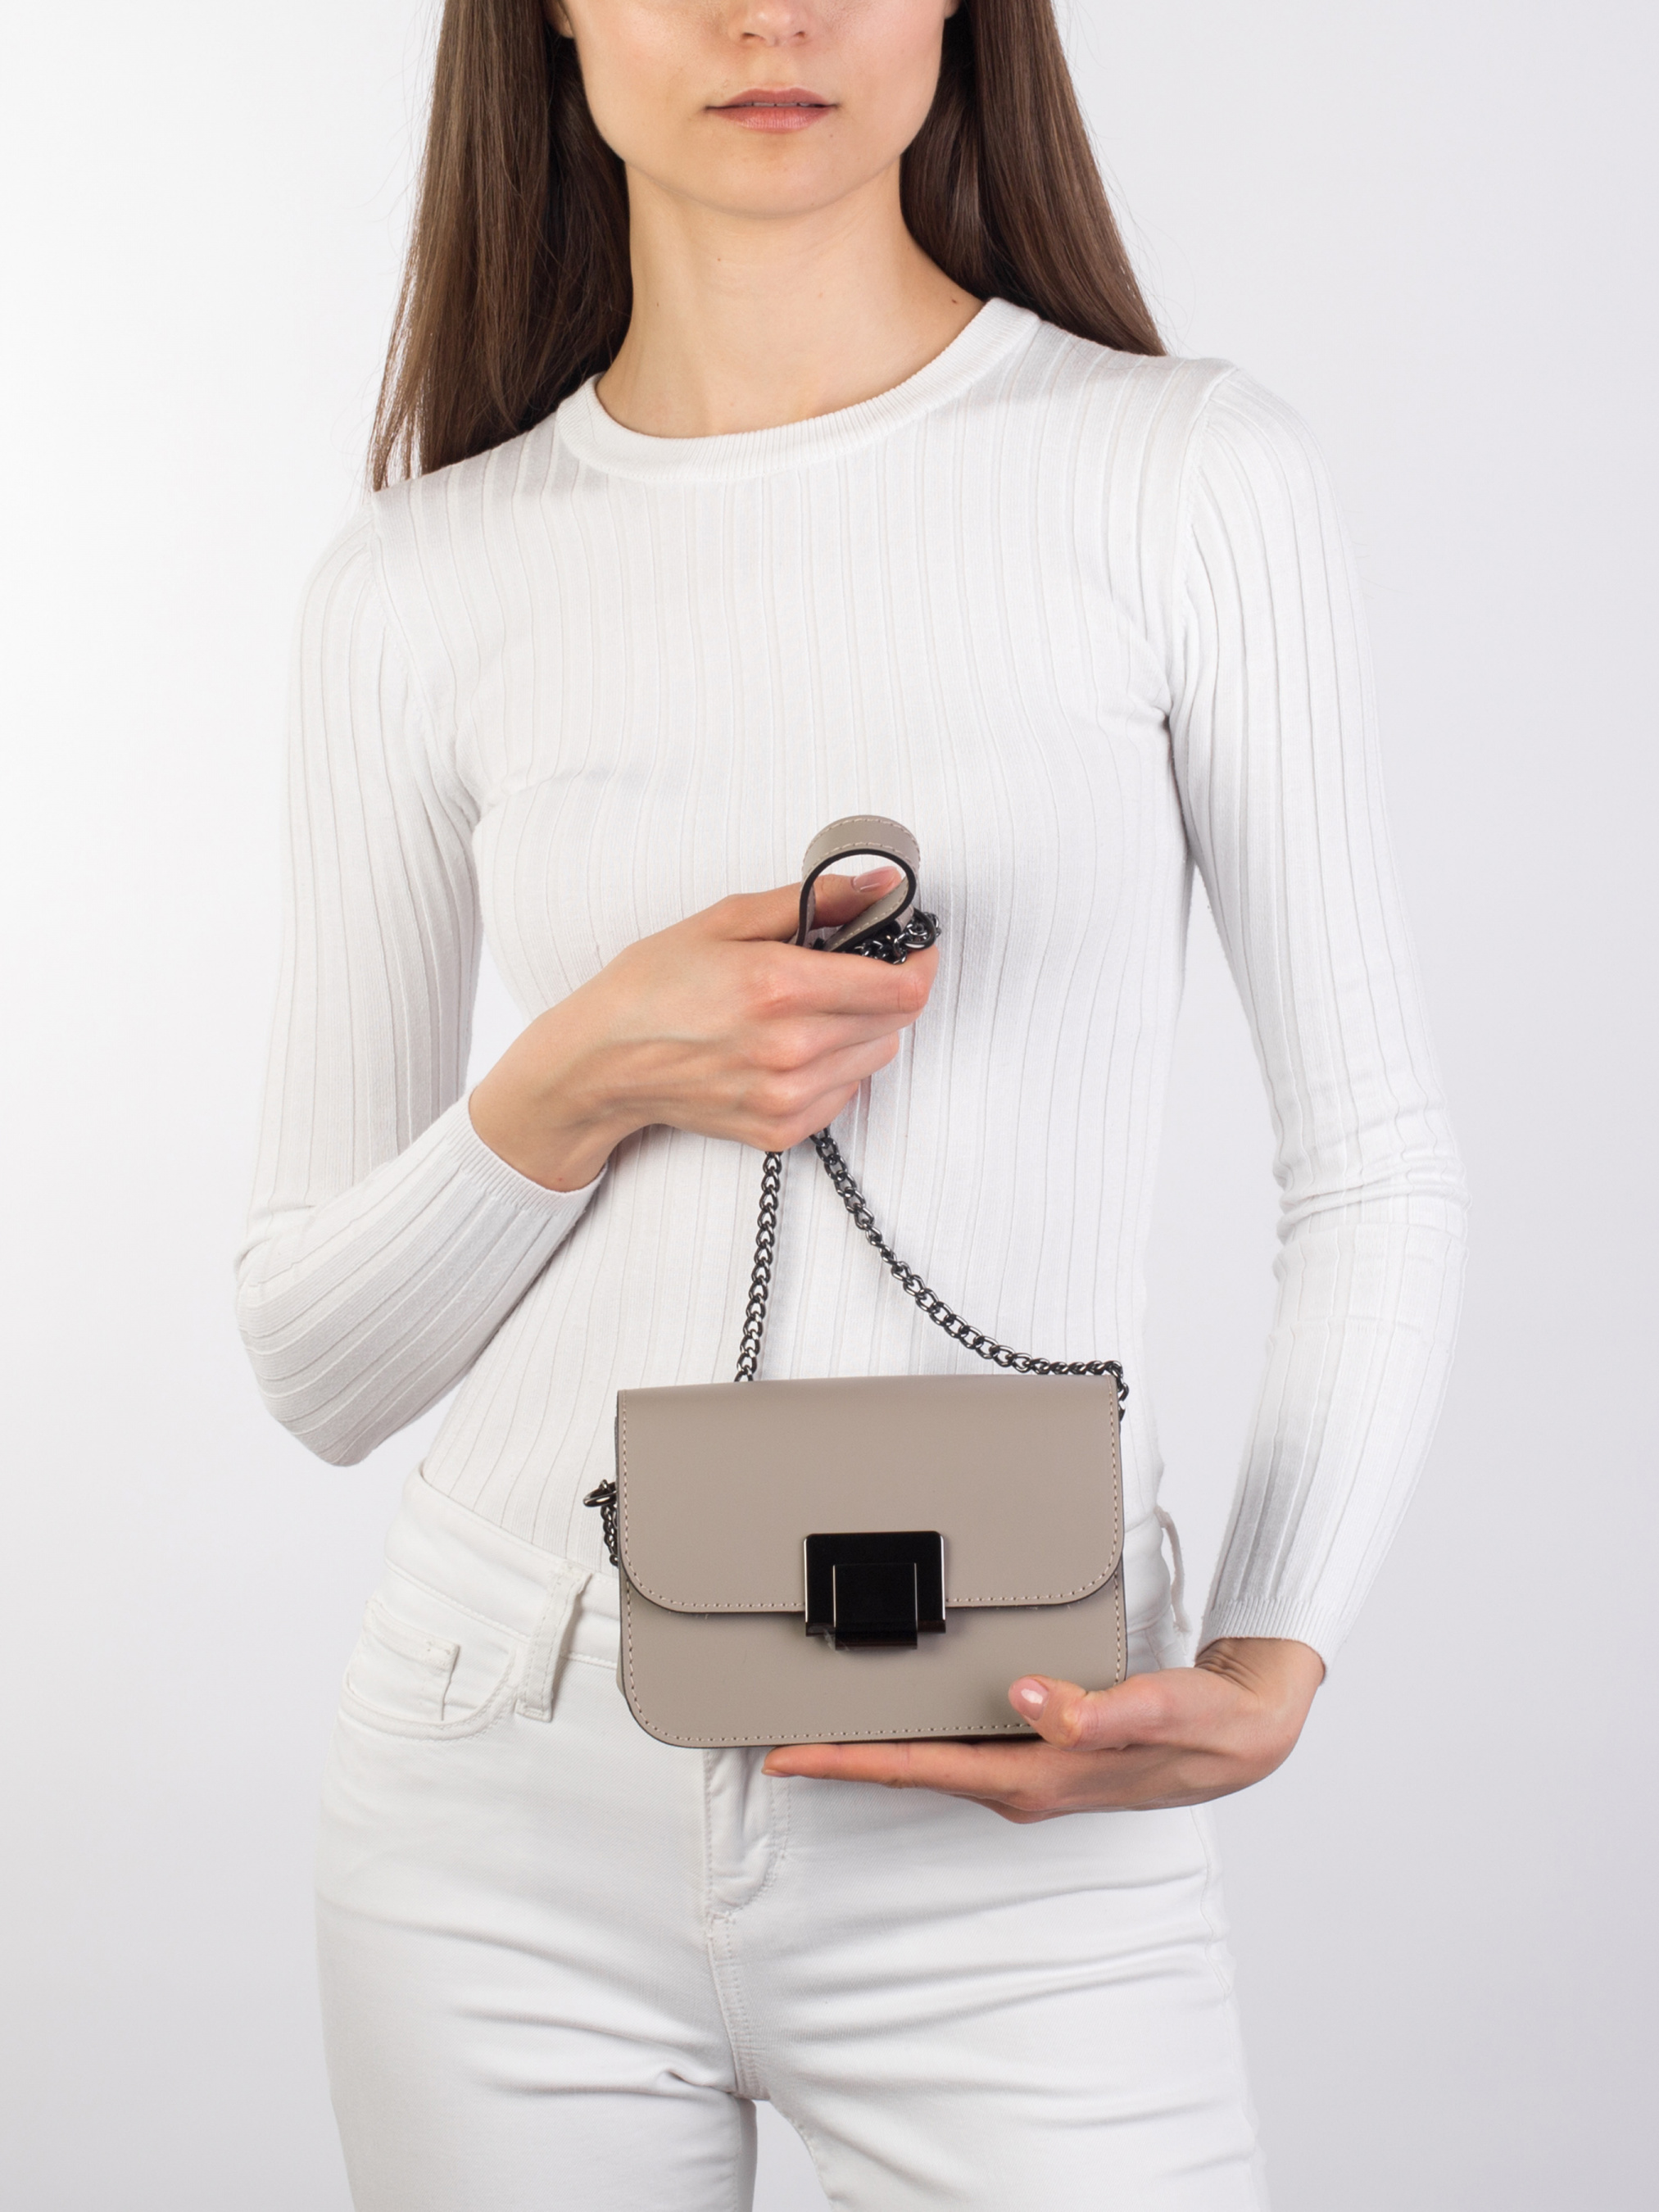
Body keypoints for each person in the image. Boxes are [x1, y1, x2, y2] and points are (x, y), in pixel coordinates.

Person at [237, 2, 1467, 2205]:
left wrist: (1273, 1638)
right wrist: (576, 1074)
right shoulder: (419, 583)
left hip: (1022, 1766)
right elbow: (318, 1363)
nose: (770, 17)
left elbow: (1370, 1165)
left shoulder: (1182, 478)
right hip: (500, 1778)